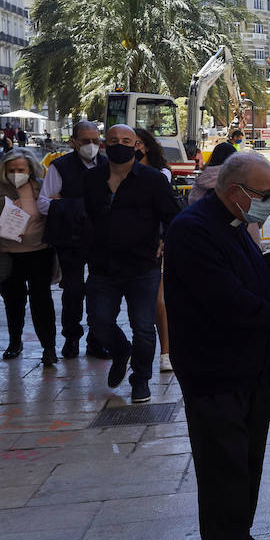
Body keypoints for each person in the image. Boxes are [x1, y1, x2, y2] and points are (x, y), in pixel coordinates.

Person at [163, 151, 270, 540]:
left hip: (251, 368)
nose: (269, 201)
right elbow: (224, 297)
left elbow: (263, 276)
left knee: (246, 465)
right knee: (223, 471)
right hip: (215, 373)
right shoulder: (193, 229)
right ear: (235, 190)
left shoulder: (237, 224)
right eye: (265, 194)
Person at [83, 124, 181, 404]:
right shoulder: (92, 180)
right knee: (99, 323)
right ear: (105, 143)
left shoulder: (152, 180)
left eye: (126, 140)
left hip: (143, 266)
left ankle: (141, 379)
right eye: (113, 140)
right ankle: (120, 350)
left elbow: (173, 215)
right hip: (103, 266)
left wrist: (166, 239)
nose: (119, 144)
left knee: (143, 326)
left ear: (137, 145)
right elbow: (86, 216)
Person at [0, 149, 57, 364]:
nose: (16, 173)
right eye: (11, 170)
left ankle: (49, 347)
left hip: (39, 253)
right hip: (6, 256)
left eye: (20, 169)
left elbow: (53, 216)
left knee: (42, 301)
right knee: (13, 301)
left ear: (30, 169)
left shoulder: (41, 188)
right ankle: (15, 342)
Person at [38, 121, 111, 359]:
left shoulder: (108, 165)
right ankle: (71, 337)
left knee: (101, 290)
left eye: (95, 141)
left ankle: (97, 340)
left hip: (101, 239)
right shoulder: (60, 167)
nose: (91, 146)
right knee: (73, 290)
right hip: (71, 238)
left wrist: (64, 202)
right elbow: (44, 203)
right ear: (74, 142)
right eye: (85, 141)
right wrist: (78, 206)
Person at [136, 128, 175, 372]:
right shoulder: (113, 174)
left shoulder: (160, 175)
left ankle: (166, 352)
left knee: (158, 300)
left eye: (135, 143)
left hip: (155, 243)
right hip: (127, 246)